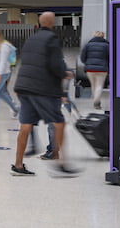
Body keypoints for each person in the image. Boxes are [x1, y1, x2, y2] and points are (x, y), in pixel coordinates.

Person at [10, 12, 79, 177]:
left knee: (26, 126)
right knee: (59, 123)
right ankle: (60, 162)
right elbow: (55, 65)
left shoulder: (30, 39)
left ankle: (18, 164)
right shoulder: (51, 39)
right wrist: (66, 73)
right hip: (41, 88)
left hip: (23, 87)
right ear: (51, 22)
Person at [80, 30, 110, 110]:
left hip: (90, 69)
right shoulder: (107, 45)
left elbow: (82, 57)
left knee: (93, 85)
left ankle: (96, 100)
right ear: (103, 36)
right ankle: (97, 101)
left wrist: (87, 63)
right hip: (103, 69)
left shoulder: (88, 45)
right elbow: (110, 58)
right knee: (99, 85)